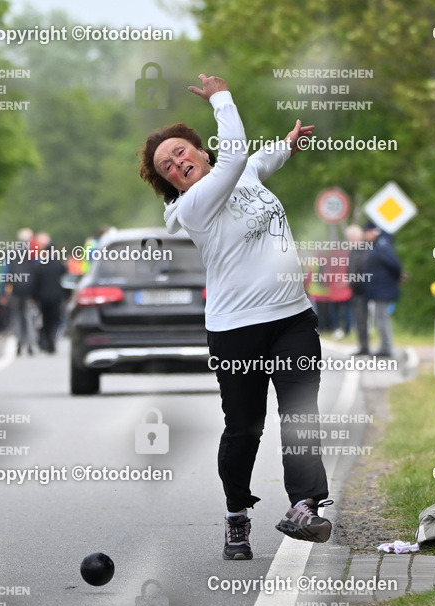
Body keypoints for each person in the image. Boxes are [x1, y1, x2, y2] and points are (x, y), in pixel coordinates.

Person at [139, 73, 331, 561]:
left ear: (201, 153)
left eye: (182, 152)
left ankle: (304, 506)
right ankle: (236, 516)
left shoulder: (238, 173)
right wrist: (222, 97)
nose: (179, 163)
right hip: (235, 332)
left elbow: (257, 161)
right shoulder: (194, 205)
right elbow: (240, 154)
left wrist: (287, 144)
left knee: (300, 416)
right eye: (168, 166)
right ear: (168, 182)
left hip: (292, 319)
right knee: (245, 427)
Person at [360, 223, 404, 357]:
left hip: (383, 289)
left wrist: (397, 276)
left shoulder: (381, 245)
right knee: (380, 318)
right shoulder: (378, 245)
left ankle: (386, 348)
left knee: (382, 319)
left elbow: (394, 263)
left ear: (372, 232)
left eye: (366, 232)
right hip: (379, 288)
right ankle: (384, 346)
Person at [345, 225, 371, 355]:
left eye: (350, 238)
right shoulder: (355, 250)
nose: (349, 240)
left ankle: (365, 347)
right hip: (356, 290)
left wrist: (353, 280)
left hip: (364, 290)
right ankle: (363, 346)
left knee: (364, 319)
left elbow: (361, 268)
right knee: (359, 320)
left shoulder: (364, 249)